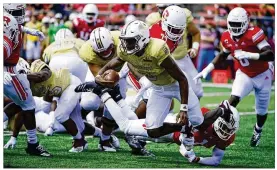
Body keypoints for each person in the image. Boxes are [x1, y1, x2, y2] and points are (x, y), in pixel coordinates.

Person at [82, 20, 231, 152]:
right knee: (153, 131)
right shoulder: (125, 49)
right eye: (125, 40)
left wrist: (183, 108)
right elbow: (115, 62)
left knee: (198, 121)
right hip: (158, 88)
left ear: (142, 40)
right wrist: (99, 76)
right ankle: (183, 128)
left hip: (175, 85)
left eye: (130, 41)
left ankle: (222, 109)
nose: (126, 44)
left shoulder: (157, 49)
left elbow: (181, 78)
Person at [194, 7, 274, 147]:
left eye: (238, 24)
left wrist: (250, 55)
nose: (235, 27)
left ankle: (258, 130)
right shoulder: (226, 36)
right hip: (244, 73)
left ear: (245, 23)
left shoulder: (254, 33)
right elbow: (223, 54)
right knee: (231, 101)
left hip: (263, 74)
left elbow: (270, 54)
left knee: (261, 110)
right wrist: (208, 68)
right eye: (233, 24)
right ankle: (216, 130)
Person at [78, 28, 149, 155]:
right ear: (94, 50)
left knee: (113, 107)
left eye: (108, 49)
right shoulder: (87, 51)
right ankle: (78, 123)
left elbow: (130, 62)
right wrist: (104, 83)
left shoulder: (122, 40)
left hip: (120, 72)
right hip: (100, 73)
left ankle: (105, 140)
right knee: (89, 103)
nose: (106, 53)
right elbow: (98, 75)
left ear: (113, 43)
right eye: (102, 52)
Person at [5, 59, 87, 152]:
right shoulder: (22, 85)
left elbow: (44, 75)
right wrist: (14, 137)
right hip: (58, 94)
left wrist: (22, 77)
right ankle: (86, 138)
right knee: (78, 124)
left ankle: (79, 141)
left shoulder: (35, 65)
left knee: (61, 115)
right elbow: (22, 110)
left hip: (70, 84)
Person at [3, 12, 51, 157]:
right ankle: (32, 144)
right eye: (17, 13)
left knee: (21, 103)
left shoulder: (9, 23)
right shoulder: (6, 38)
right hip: (9, 71)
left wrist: (29, 30)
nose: (20, 16)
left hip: (9, 69)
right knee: (28, 105)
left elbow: (16, 27)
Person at [146, 5, 203, 99]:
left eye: (165, 7)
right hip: (163, 60)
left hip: (182, 57)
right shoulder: (153, 19)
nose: (163, 10)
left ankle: (191, 111)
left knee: (197, 90)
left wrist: (195, 48)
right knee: (163, 91)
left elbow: (195, 32)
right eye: (161, 7)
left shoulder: (182, 15)